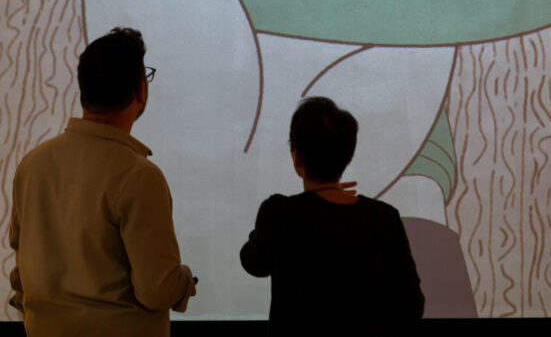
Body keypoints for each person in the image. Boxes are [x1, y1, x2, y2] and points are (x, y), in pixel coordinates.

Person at [8, 27, 196, 335]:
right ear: (141, 91)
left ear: (83, 89)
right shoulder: (139, 176)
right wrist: (185, 280)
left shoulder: (32, 164)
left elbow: (22, 274)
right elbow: (157, 290)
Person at [240, 96, 424, 334]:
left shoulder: (279, 212)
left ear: (296, 156)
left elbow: (254, 263)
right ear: (346, 156)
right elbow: (412, 305)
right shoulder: (384, 217)